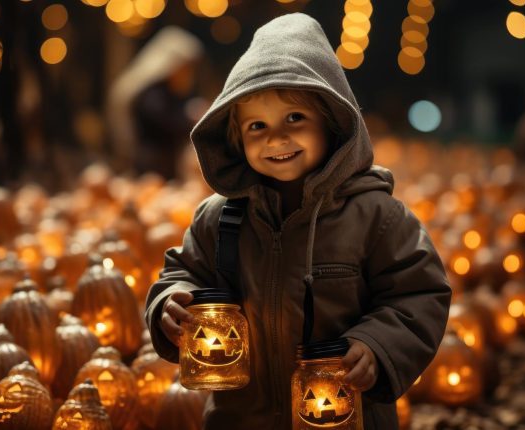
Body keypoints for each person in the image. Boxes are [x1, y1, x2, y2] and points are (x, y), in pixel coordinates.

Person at [145, 13, 451, 429]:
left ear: (332, 121)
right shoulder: (220, 218)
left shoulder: (376, 217)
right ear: (236, 137)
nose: (276, 138)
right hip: (241, 418)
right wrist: (172, 301)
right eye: (257, 126)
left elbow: (420, 293)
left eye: (294, 118)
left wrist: (378, 344)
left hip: (340, 414)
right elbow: (183, 271)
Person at [107, 26, 204, 179]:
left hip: (163, 166)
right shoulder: (152, 93)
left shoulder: (167, 92)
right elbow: (165, 122)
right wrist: (190, 119)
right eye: (186, 67)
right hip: (150, 166)